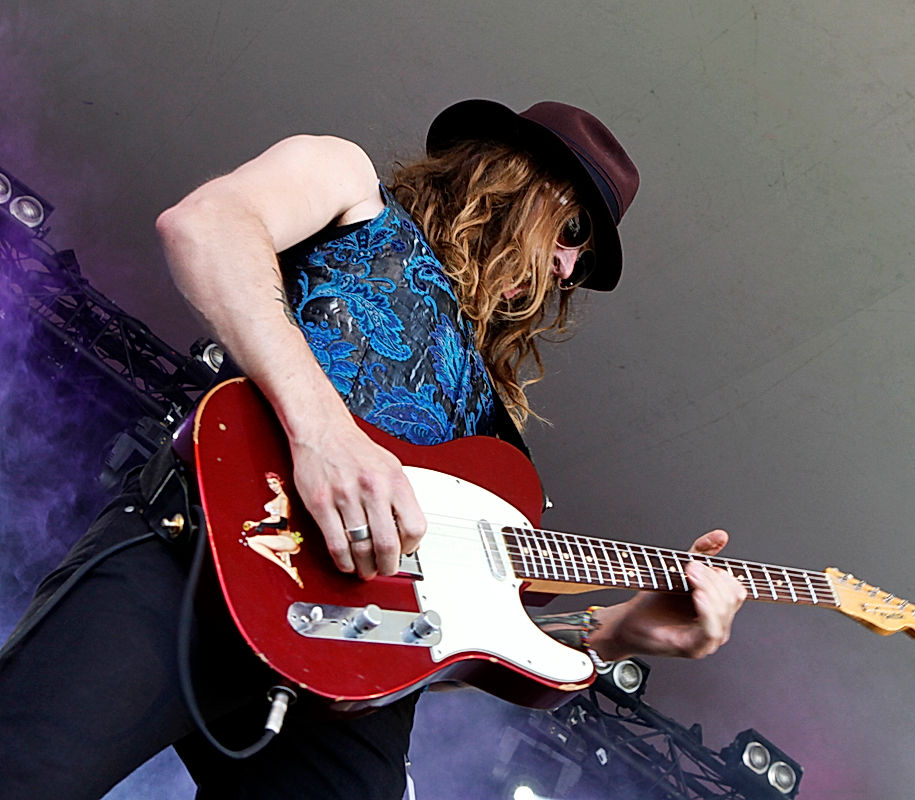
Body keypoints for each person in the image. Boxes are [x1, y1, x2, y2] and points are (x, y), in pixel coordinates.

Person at [0, 100, 746, 799]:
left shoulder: (492, 433)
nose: (567, 269)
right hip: (200, 554)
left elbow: (446, 636)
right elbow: (204, 224)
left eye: (581, 259)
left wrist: (616, 632)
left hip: (342, 673)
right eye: (574, 230)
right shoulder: (352, 187)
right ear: (514, 177)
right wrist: (324, 432)